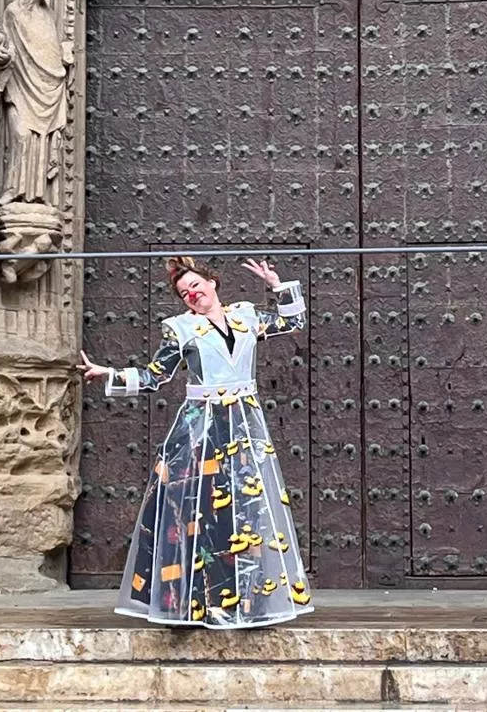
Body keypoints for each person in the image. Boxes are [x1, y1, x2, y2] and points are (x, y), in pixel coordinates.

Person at [79, 257, 315, 629]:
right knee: (198, 512)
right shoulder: (181, 329)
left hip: (243, 424)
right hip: (200, 426)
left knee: (247, 508)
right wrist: (109, 374)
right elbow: (154, 376)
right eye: (184, 292)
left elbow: (294, 322)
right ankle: (195, 602)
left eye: (196, 284)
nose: (192, 293)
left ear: (212, 282)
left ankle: (247, 600)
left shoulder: (248, 316)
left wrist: (277, 285)